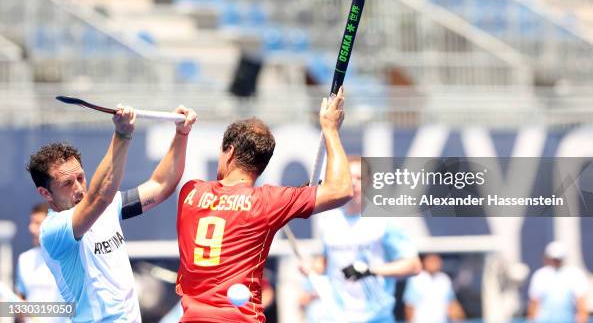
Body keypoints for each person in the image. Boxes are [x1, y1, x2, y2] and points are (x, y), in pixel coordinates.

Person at [175, 86, 353, 322]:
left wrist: (181, 134)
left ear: (230, 151)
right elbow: (342, 189)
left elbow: (164, 182)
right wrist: (330, 130)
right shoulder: (268, 201)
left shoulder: (190, 192)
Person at [26, 104, 197, 322]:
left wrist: (181, 134)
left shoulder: (108, 206)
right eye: (67, 183)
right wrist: (122, 135)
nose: (78, 188)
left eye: (80, 177)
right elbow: (99, 197)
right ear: (45, 193)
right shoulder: (53, 230)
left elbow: (161, 185)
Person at [302, 156, 422, 323]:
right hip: (337, 317)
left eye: (359, 178)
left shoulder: (384, 221)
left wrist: (370, 270)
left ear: (369, 183)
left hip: (377, 317)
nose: (353, 183)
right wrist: (311, 268)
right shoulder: (328, 221)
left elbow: (414, 266)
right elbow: (326, 262)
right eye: (348, 177)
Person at [15, 202, 68, 323]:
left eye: (37, 223)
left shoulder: (69, 257)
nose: (31, 228)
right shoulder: (24, 259)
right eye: (31, 222)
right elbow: (20, 299)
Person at [527, 241, 589, 323]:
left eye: (558, 259)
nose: (556, 262)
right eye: (554, 259)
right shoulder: (540, 275)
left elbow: (581, 305)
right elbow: (534, 303)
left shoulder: (575, 274)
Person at [403, 253, 465, 323]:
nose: (434, 264)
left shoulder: (444, 279)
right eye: (431, 261)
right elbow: (410, 305)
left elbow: (451, 303)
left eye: (436, 261)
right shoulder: (416, 279)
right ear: (424, 262)